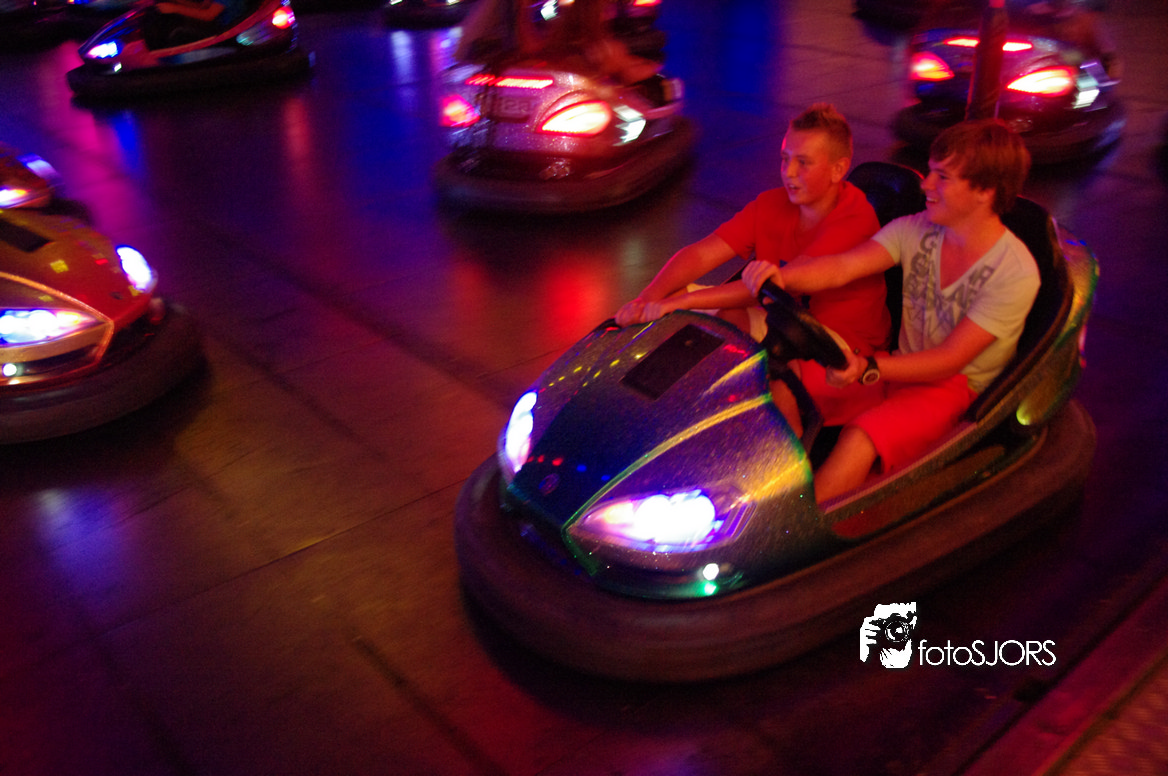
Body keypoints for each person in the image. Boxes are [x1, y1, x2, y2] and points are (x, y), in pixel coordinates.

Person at [743, 119, 1039, 503]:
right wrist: (783, 276)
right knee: (782, 376)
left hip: (956, 390)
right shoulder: (915, 230)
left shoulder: (1013, 273)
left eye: (942, 177)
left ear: (984, 191)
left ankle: (795, 530)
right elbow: (842, 267)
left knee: (860, 437)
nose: (926, 185)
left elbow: (950, 360)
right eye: (930, 172)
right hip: (897, 366)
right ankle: (767, 487)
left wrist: (868, 368)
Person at [615, 103, 890, 434]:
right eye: (785, 159)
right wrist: (647, 299)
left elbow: (782, 284)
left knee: (779, 381)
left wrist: (680, 302)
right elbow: (702, 255)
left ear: (838, 169)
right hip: (783, 320)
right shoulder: (772, 204)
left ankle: (784, 453)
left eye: (803, 163)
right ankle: (664, 416)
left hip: (842, 346)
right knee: (697, 314)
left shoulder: (854, 220)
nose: (788, 172)